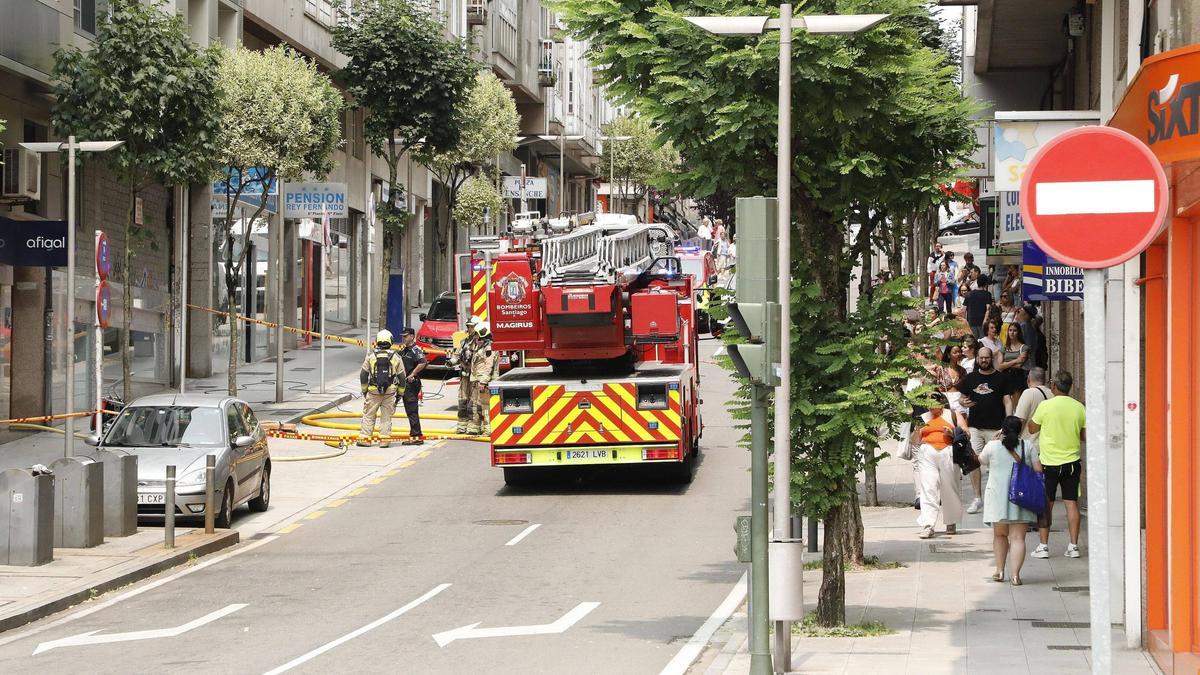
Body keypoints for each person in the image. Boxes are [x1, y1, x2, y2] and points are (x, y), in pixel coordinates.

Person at [1029, 370, 1087, 559]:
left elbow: (1032, 428)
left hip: (1048, 462)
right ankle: (1073, 546)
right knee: (1072, 504)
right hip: (1072, 462)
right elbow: (1084, 436)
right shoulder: (1079, 407)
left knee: (1047, 505)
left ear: (1054, 386)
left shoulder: (1046, 406)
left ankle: (1043, 547)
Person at [980, 415, 1042, 585]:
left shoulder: (992, 446)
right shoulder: (1027, 446)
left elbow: (981, 461)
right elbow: (1038, 470)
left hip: (998, 497)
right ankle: (1015, 575)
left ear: (1003, 429)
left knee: (999, 535)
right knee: (1018, 538)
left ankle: (999, 571)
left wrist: (994, 439)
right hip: (1021, 498)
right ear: (1019, 430)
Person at [960, 346, 1012, 514]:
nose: (984, 360)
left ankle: (996, 497)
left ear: (992, 358)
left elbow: (1008, 401)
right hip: (975, 427)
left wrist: (1007, 425)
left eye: (987, 358)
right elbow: (962, 397)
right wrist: (962, 402)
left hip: (996, 428)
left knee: (996, 463)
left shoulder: (1002, 378)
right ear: (977, 359)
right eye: (981, 358)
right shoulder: (970, 378)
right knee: (973, 462)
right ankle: (977, 498)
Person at [912, 393, 968, 539]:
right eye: (928, 404)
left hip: (948, 451)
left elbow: (966, 433)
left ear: (942, 402)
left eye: (933, 403)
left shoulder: (953, 415)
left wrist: (952, 433)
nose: (931, 407)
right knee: (928, 487)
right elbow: (914, 441)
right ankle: (928, 524)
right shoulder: (923, 418)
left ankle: (951, 521)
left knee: (950, 486)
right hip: (927, 453)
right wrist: (917, 430)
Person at [358, 330, 406, 448]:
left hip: (373, 391)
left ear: (377, 341)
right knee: (386, 417)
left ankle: (365, 439)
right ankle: (384, 441)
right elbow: (402, 377)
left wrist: (365, 391)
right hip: (390, 392)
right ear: (391, 341)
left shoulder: (370, 356)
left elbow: (363, 375)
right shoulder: (396, 357)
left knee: (369, 415)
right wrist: (400, 395)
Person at [465, 322, 500, 435]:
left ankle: (488, 429)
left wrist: (483, 382)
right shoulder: (481, 346)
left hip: (483, 382)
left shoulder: (489, 348)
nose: (475, 337)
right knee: (476, 404)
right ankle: (475, 428)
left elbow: (488, 366)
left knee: (485, 406)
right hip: (477, 381)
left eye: (476, 335)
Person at [397, 327, 428, 445]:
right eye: (403, 336)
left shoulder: (415, 350)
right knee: (409, 411)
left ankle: (416, 436)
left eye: (405, 336)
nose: (403, 338)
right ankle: (414, 434)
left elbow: (423, 362)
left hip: (411, 384)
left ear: (412, 336)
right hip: (404, 384)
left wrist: (413, 374)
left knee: (412, 411)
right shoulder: (405, 350)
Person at [452, 316, 482, 434]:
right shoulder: (464, 342)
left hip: (475, 377)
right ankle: (462, 425)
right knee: (463, 400)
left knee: (474, 402)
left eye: (471, 327)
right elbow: (457, 354)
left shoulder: (481, 344)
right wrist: (452, 361)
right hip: (465, 376)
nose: (469, 329)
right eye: (468, 326)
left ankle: (474, 426)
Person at [1013, 367, 1052, 442]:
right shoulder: (1052, 394)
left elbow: (1020, 420)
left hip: (1030, 445)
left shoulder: (1029, 393)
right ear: (1044, 379)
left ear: (1028, 379)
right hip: (1047, 445)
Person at [996, 323, 1030, 403]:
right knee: (1005, 402)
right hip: (1004, 376)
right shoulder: (1003, 348)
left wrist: (1006, 363)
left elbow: (1020, 365)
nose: (1012, 332)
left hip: (1018, 377)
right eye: (1010, 330)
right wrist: (1015, 360)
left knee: (1017, 403)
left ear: (1019, 332)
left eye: (1014, 330)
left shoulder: (1024, 348)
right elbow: (999, 366)